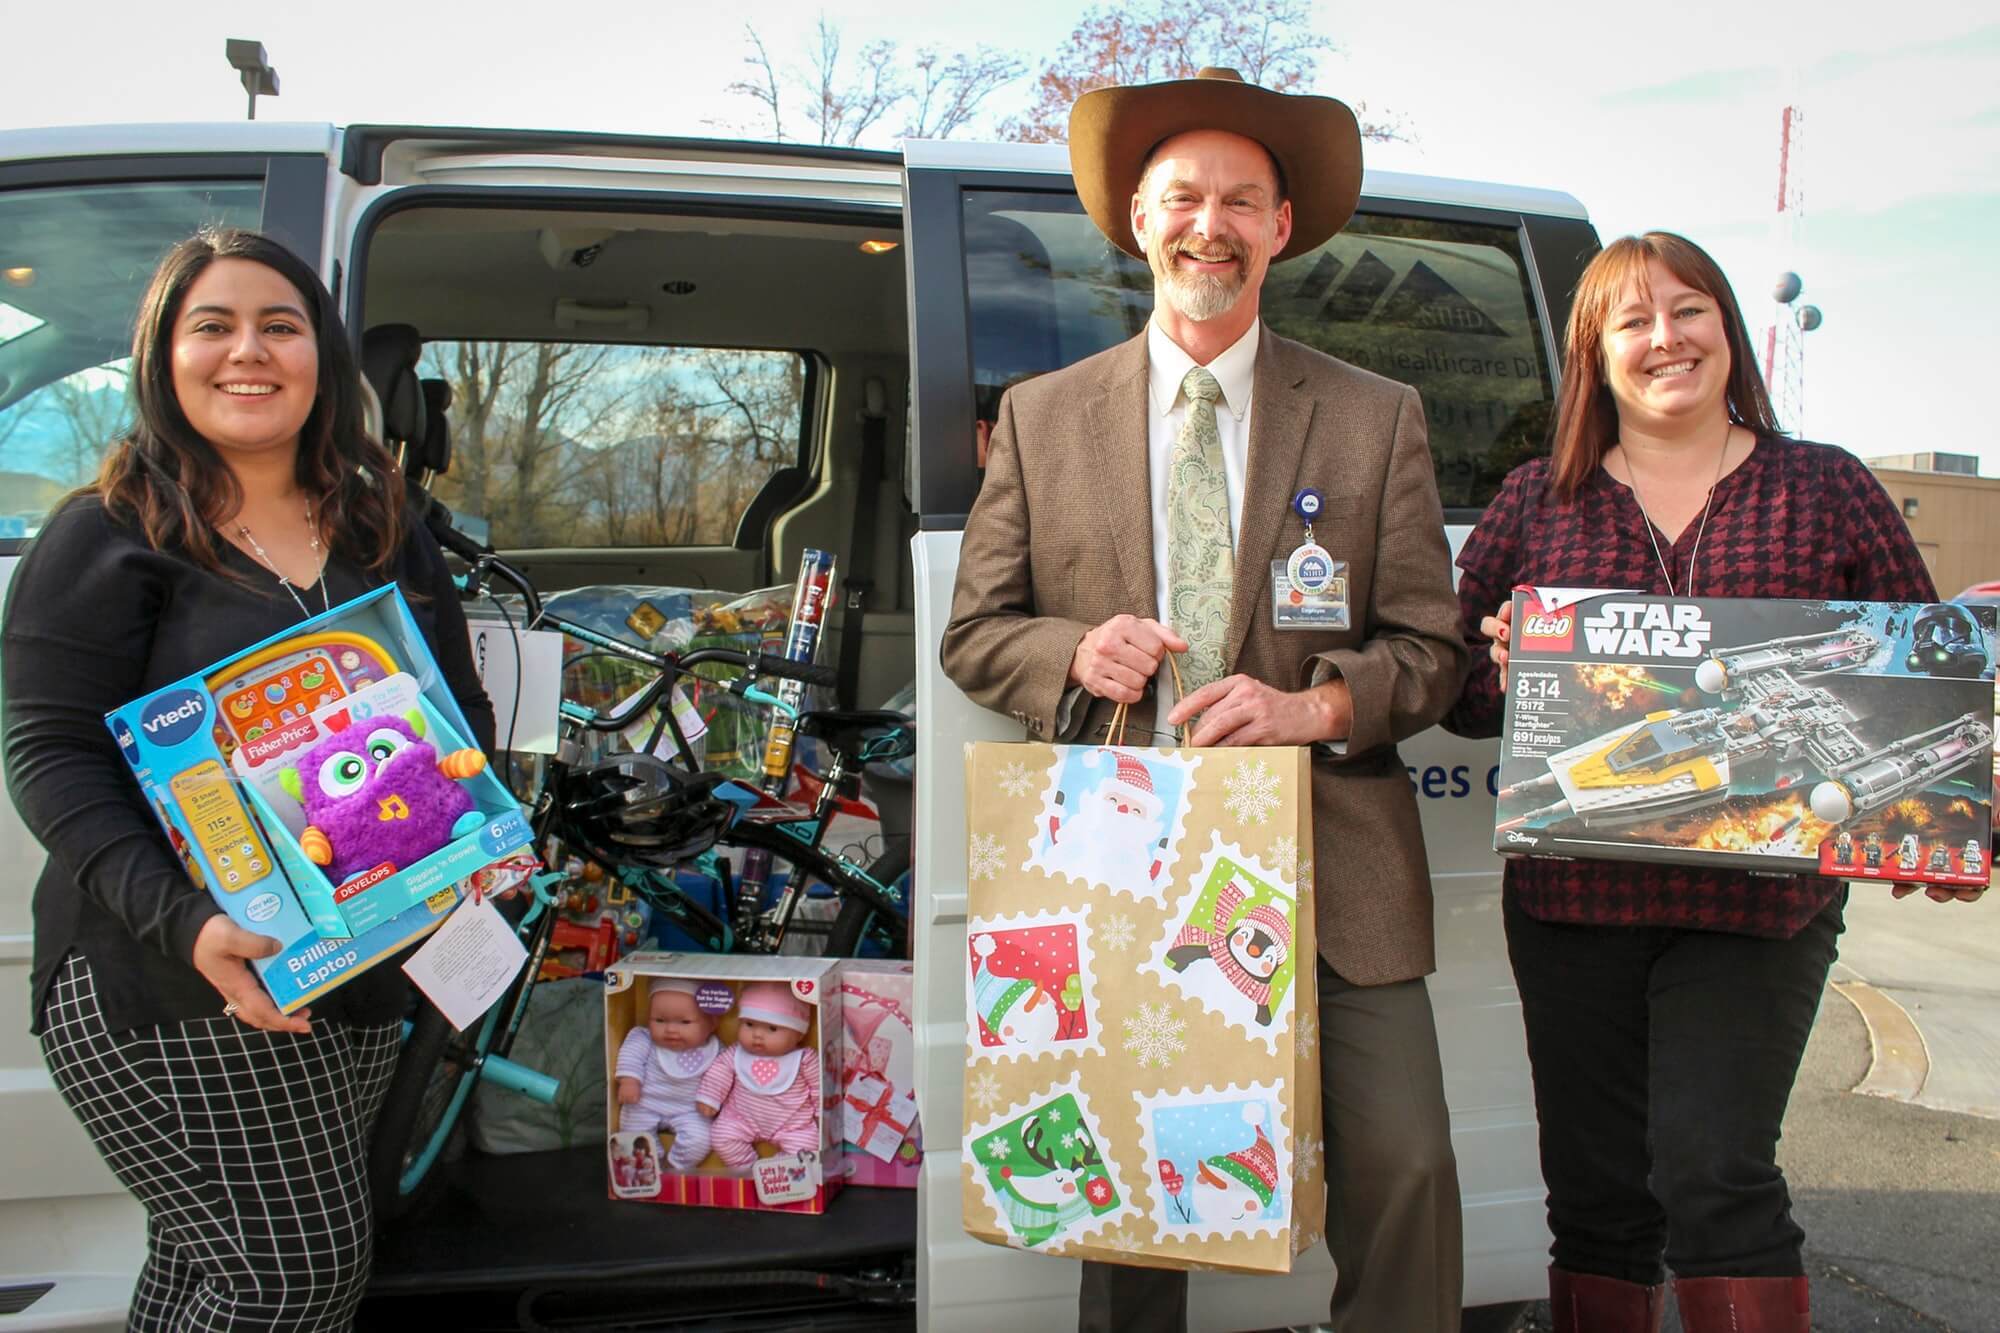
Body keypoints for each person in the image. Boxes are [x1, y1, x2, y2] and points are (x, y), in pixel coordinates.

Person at [942, 67, 1469, 1333]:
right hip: (1120, 871)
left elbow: (1432, 651)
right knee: (1128, 1198)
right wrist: (1073, 653)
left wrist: (1313, 710)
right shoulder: (1039, 415)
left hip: (1330, 860)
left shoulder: (1370, 415)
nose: (1209, 225)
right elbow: (975, 632)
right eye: (1183, 196)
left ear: (1280, 228)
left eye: (1241, 200)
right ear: (1137, 219)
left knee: (1404, 1170)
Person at [1444, 231, 1975, 1333]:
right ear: (1593, 352)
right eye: (1630, 320)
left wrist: (1955, 822)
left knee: (1711, 1176)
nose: (1663, 338)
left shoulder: (1821, 487)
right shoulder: (1536, 500)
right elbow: (1447, 685)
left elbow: (1925, 670)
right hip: (1573, 904)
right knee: (1593, 1200)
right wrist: (1494, 662)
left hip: (1756, 908)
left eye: (1686, 310)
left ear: (1727, 329)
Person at [4, 227, 494, 1330]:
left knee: (206, 1270)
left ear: (321, 356)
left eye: (280, 326)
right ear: (162, 357)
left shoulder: (382, 523)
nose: (248, 353)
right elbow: (50, 752)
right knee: (293, 1276)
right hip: (176, 976)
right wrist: (183, 923)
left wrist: (477, 831)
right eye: (211, 326)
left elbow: (454, 711)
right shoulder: (107, 535)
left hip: (359, 968)